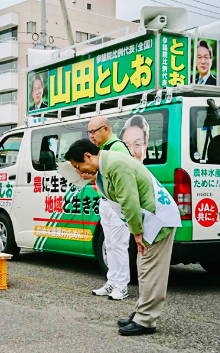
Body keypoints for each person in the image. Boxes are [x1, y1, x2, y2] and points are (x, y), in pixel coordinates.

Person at [64, 139, 181, 336]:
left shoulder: (115, 164)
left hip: (157, 220)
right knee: (144, 267)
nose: (78, 171)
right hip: (150, 219)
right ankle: (141, 313)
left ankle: (146, 320)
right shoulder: (107, 165)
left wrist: (136, 232)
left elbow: (129, 200)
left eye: (78, 166)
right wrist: (92, 177)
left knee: (150, 270)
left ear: (87, 156)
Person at [86, 116, 132, 301]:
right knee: (110, 245)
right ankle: (112, 282)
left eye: (93, 132)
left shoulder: (118, 147)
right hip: (105, 202)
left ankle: (121, 286)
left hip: (117, 204)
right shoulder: (103, 149)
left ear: (105, 129)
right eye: (89, 132)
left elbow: (123, 178)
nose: (91, 136)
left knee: (119, 245)